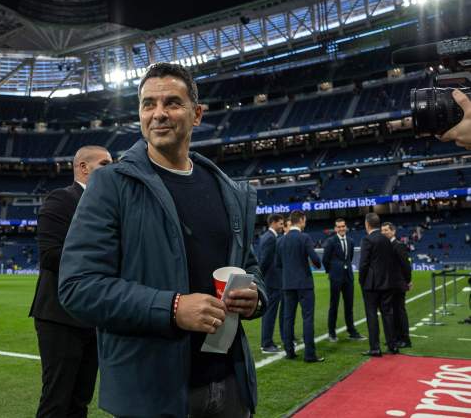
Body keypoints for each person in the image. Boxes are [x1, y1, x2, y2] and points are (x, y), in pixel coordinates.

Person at [58, 62, 267, 418]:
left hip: (229, 383)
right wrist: (171, 308)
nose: (158, 114)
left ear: (196, 113)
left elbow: (249, 266)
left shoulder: (226, 189)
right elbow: (78, 287)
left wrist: (256, 297)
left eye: (172, 102)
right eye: (148, 104)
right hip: (151, 392)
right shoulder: (110, 186)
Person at [29, 145, 112, 418]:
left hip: (93, 315)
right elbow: (50, 255)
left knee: (80, 400)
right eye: (104, 163)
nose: (111, 168)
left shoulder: (109, 205)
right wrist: (102, 257)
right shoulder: (61, 199)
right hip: (59, 315)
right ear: (83, 167)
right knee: (56, 399)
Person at [276, 210, 324, 363]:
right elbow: (316, 260)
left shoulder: (281, 240)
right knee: (307, 318)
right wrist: (312, 264)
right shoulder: (304, 237)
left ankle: (289, 352)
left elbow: (278, 264)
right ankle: (309, 354)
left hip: (287, 284)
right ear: (302, 220)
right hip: (304, 284)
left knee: (288, 318)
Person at [359, 213, 399, 356]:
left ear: (367, 224)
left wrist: (361, 281)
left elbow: (363, 264)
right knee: (388, 314)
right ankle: (392, 345)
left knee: (372, 316)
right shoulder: (387, 239)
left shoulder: (367, 240)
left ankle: (375, 348)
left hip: (372, 285)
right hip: (387, 283)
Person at [322, 218, 364, 342]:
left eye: (343, 226)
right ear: (335, 229)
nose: (341, 228)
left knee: (349, 305)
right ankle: (332, 332)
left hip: (348, 277)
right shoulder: (330, 241)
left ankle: (352, 331)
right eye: (339, 227)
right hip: (335, 277)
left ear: (346, 227)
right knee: (333, 305)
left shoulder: (350, 241)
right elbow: (325, 260)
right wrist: (332, 271)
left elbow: (349, 258)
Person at [381, 222, 413, 349]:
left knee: (399, 312)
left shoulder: (398, 246)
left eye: (386, 230)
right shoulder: (385, 246)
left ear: (393, 231)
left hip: (398, 285)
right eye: (382, 230)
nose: (383, 232)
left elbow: (406, 266)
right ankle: (394, 338)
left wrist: (408, 281)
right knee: (392, 313)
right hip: (388, 285)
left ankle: (405, 339)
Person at [258, 214, 285, 353]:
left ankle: (268, 341)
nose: (282, 226)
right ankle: (266, 344)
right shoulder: (270, 238)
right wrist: (261, 278)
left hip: (270, 281)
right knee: (269, 313)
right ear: (273, 223)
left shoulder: (267, 237)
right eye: (280, 223)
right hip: (272, 282)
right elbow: (265, 261)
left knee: (269, 313)